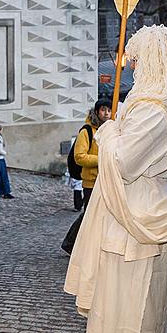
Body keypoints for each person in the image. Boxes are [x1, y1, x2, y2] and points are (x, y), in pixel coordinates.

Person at [65, 25, 167, 333]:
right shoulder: (159, 108)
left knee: (132, 303)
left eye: (139, 62)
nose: (134, 69)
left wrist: (107, 131)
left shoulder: (155, 112)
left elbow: (122, 162)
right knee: (126, 301)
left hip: (136, 215)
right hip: (139, 212)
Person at [61, 98, 109, 254]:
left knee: (98, 215)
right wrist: (102, 159)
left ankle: (88, 245)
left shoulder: (109, 130)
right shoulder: (87, 131)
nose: (106, 113)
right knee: (89, 215)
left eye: (108, 110)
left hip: (105, 181)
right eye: (103, 110)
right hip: (91, 181)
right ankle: (71, 243)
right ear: (96, 112)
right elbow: (79, 156)